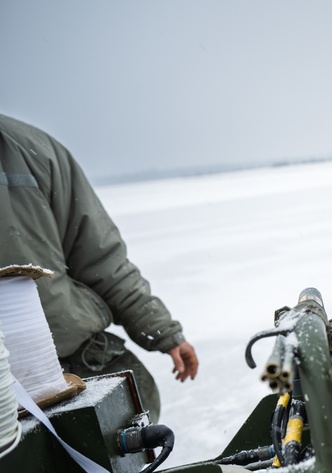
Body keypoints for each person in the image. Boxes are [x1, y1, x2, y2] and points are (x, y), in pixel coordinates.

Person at [0, 114, 198, 422]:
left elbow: (101, 258)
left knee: (136, 414)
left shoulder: (31, 150)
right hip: (9, 396)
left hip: (70, 360)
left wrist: (163, 331)